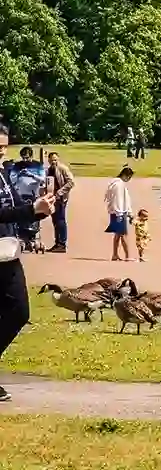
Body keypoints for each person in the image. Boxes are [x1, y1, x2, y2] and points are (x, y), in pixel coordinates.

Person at [0, 125, 55, 402]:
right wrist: (29, 210)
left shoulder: (3, 172)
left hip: (7, 251)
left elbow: (9, 211)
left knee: (19, 312)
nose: (2, 152)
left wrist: (39, 212)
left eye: (4, 147)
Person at [105, 165, 135, 262]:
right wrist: (120, 214)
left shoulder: (115, 183)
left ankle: (115, 254)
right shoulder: (119, 185)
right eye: (129, 177)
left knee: (118, 235)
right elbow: (118, 200)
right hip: (119, 212)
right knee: (123, 234)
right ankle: (128, 256)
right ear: (126, 175)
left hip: (117, 211)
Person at [45, 151, 72, 252]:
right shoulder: (48, 170)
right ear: (48, 160)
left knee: (60, 220)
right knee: (55, 221)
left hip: (61, 199)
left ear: (58, 159)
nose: (53, 162)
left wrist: (60, 192)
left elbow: (71, 182)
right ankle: (57, 243)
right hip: (52, 198)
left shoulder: (63, 169)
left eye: (55, 160)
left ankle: (62, 244)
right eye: (52, 160)